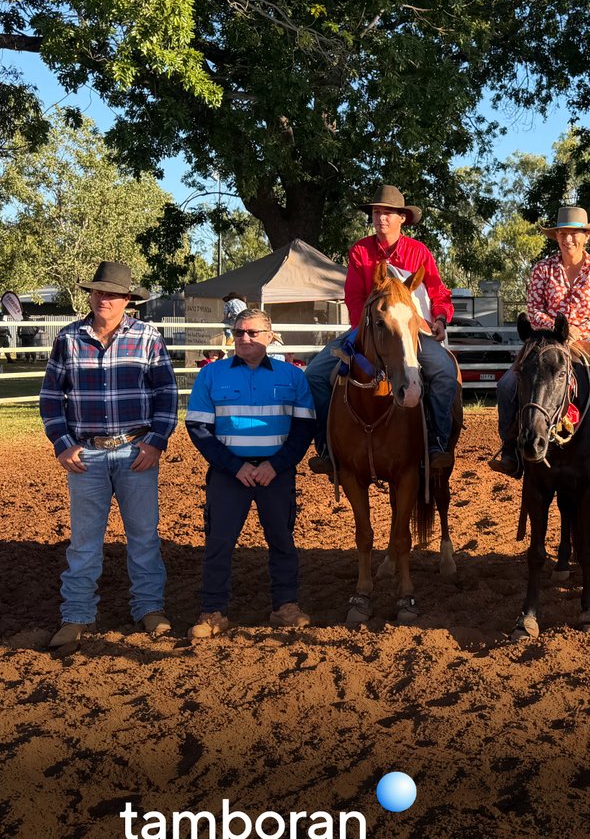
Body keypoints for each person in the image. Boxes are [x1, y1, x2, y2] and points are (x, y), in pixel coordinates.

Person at [38, 261, 178, 648]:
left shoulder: (148, 337)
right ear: (91, 295)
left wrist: (156, 441)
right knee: (84, 541)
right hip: (87, 454)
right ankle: (77, 614)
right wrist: (62, 444)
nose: (104, 298)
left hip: (136, 450)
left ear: (127, 300)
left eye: (112, 293)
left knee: (144, 536)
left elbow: (166, 393)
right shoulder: (68, 338)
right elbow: (51, 398)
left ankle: (149, 608)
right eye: (99, 291)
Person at [305, 185, 459, 473]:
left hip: (411, 331)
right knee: (314, 374)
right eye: (376, 212)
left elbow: (439, 291)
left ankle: (437, 443)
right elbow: (353, 297)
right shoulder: (360, 251)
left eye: (387, 213)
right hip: (368, 329)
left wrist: (439, 319)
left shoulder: (419, 252)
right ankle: (327, 448)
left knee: (444, 372)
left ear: (402, 218)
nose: (381, 218)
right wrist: (366, 332)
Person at [186, 308, 317, 638]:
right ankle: (213, 611)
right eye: (239, 332)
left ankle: (285, 606)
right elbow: (199, 428)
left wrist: (276, 465)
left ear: (270, 337)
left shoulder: (293, 377)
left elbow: (304, 428)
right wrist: (236, 466)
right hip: (230, 473)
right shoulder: (211, 375)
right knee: (219, 542)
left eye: (252, 332)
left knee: (282, 540)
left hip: (277, 473)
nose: (244, 338)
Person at [491, 206, 590, 477]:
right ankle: (510, 448)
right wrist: (557, 329)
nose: (568, 239)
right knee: (507, 385)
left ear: (586, 237)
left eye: (574, 233)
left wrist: (577, 331)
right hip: (546, 340)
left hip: (587, 337)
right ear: (557, 236)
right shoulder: (542, 269)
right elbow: (534, 308)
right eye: (563, 233)